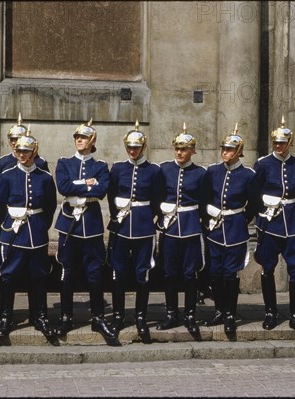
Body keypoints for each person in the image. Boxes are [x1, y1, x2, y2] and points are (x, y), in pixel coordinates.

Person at [53, 119, 119, 346]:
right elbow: (63, 186)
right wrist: (86, 183)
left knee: (95, 273)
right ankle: (66, 316)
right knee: (68, 272)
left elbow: (101, 190)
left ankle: (98, 317)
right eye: (76, 137)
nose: (78, 140)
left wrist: (83, 186)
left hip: (90, 225)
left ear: (92, 141)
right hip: (69, 224)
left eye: (82, 137)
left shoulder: (101, 166)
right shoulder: (64, 162)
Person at [0, 132, 58, 342]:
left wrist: (40, 225)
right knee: (9, 275)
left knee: (38, 274)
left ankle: (39, 316)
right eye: (19, 151)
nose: (21, 154)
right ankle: (5, 316)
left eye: (26, 151)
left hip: (36, 231)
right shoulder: (8, 175)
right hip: (13, 232)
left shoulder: (45, 177)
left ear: (34, 152)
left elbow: (49, 206)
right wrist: (7, 226)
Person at [253, 117, 295, 344]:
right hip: (269, 222)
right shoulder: (263, 163)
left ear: (290, 143)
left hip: (292, 222)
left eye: (282, 143)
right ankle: (270, 312)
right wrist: (262, 214)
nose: (278, 146)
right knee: (268, 267)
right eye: (275, 143)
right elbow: (255, 193)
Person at [107, 121, 163, 343]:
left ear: (143, 146)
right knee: (118, 272)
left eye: (136, 147)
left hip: (143, 227)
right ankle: (119, 315)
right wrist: (116, 216)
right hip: (121, 227)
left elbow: (158, 199)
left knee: (143, 274)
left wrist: (150, 219)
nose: (132, 150)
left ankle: (140, 317)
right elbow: (112, 196)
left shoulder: (154, 170)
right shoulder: (118, 168)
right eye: (129, 147)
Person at [201, 125, 259, 335]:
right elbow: (205, 197)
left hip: (235, 229)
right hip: (215, 229)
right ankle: (219, 310)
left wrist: (241, 218)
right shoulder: (213, 171)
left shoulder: (248, 175)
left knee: (230, 273)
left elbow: (254, 203)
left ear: (239, 152)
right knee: (215, 272)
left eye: (230, 150)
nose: (225, 153)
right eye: (224, 149)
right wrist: (208, 216)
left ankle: (230, 314)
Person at [155, 123, 207, 335]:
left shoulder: (201, 173)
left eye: (184, 149)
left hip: (192, 225)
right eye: (177, 148)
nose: (179, 152)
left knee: (190, 273)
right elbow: (158, 195)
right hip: (169, 226)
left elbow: (204, 201)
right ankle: (171, 314)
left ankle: (190, 315)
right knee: (169, 273)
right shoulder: (164, 169)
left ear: (192, 151)